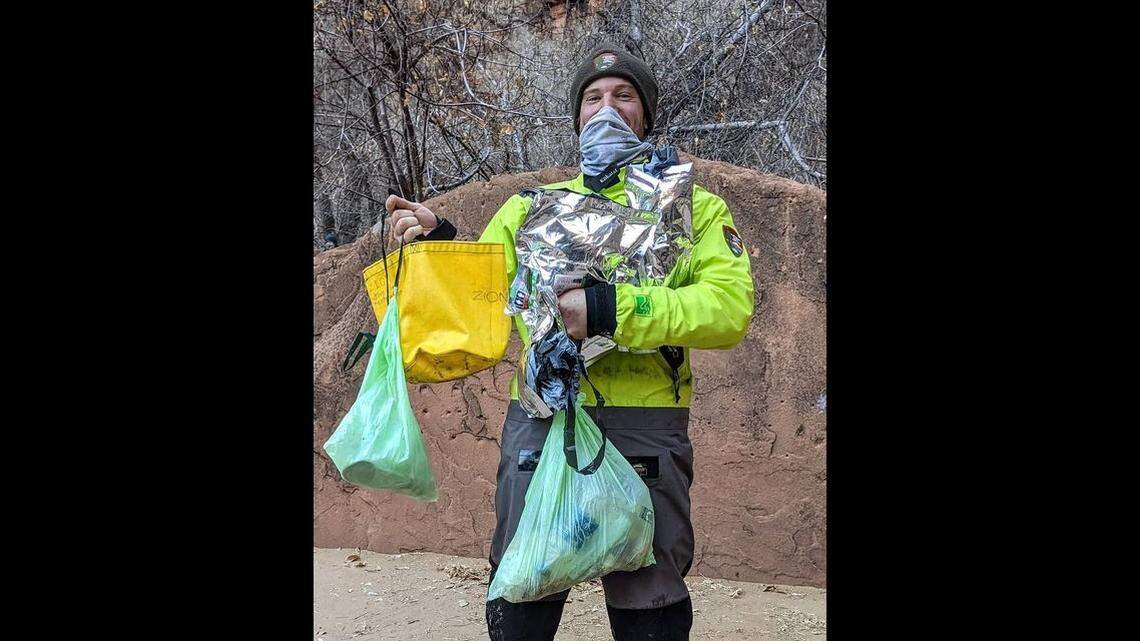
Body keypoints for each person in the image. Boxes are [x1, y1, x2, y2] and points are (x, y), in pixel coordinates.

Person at [385, 40, 754, 641]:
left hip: (645, 425)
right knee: (524, 581)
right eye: (593, 98)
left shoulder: (694, 210)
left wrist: (611, 309)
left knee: (649, 598)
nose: (606, 109)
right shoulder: (529, 208)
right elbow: (485, 297)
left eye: (624, 96)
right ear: (577, 116)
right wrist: (440, 241)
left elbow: (727, 309)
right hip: (541, 421)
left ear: (647, 114)